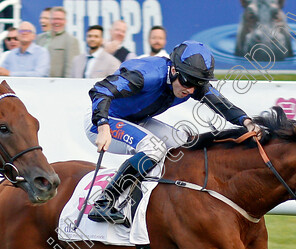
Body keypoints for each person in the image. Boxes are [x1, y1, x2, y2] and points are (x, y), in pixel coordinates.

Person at [86, 40, 261, 224]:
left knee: (185, 143)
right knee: (153, 148)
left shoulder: (189, 80)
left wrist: (246, 121)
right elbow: (100, 89)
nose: (190, 89)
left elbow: (221, 104)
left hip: (136, 121)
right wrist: (103, 124)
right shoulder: (147, 75)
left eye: (197, 84)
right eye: (188, 81)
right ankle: (105, 201)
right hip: (102, 121)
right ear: (174, 70)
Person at [41, 7, 79, 78]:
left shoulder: (71, 40)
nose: (57, 22)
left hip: (56, 85)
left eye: (60, 19)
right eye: (54, 19)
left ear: (65, 21)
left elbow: (70, 69)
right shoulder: (40, 38)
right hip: (36, 83)